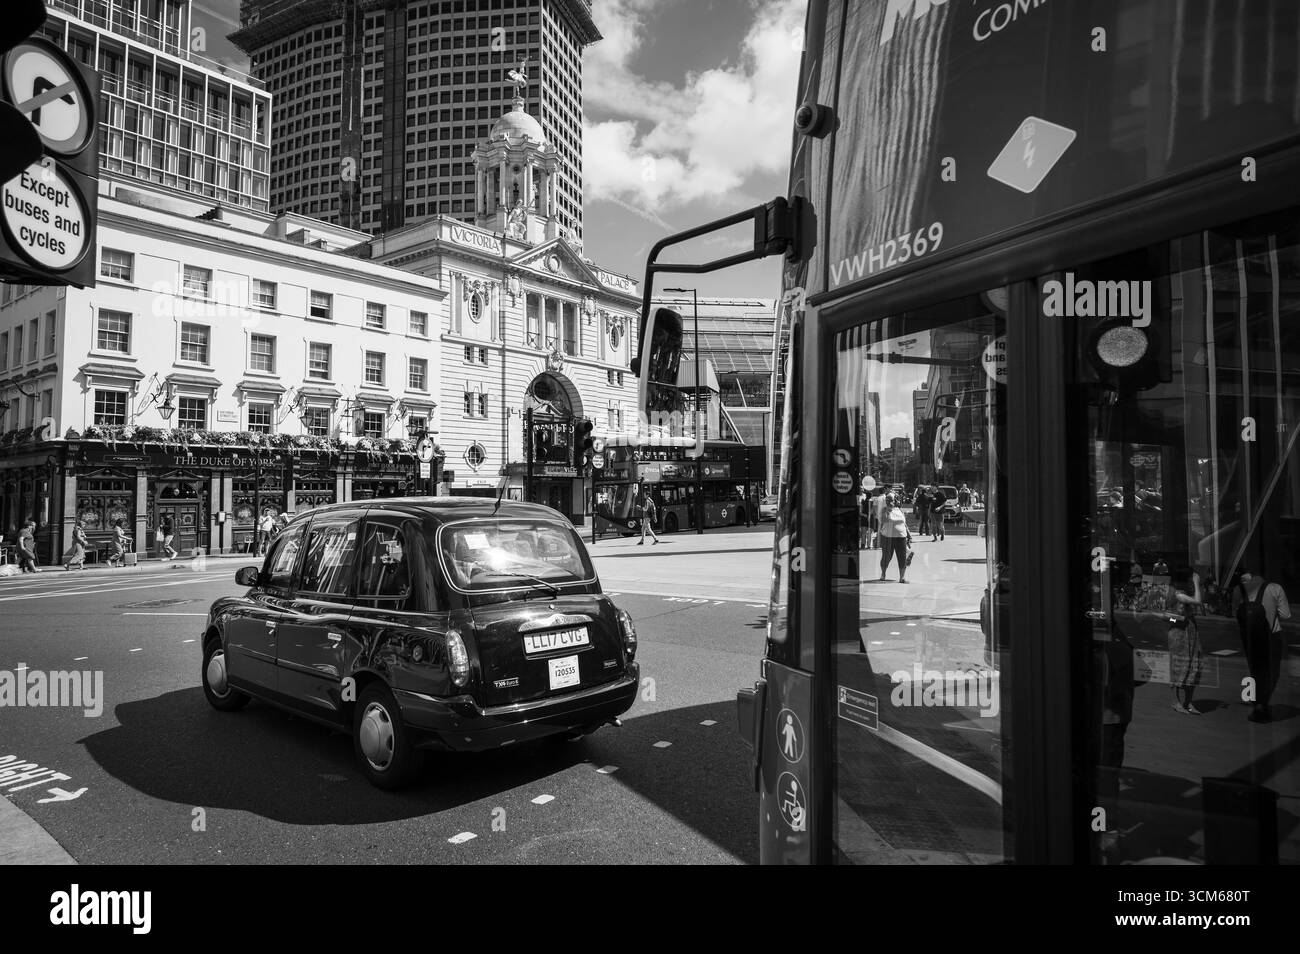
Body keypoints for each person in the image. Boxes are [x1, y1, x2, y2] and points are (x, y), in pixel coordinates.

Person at [1233, 567, 1292, 723]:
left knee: (1256, 670)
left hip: (1249, 638)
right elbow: (1286, 615)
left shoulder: (1238, 590)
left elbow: (1235, 613)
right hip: (1271, 636)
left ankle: (1259, 703)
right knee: (1272, 672)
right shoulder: (1275, 588)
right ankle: (1262, 703)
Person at [1165, 567, 1204, 714]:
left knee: (1194, 664)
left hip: (1190, 631)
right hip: (1179, 633)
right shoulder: (1179, 594)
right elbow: (1198, 602)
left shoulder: (1183, 592)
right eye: (1190, 578)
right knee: (1178, 665)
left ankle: (1188, 702)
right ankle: (1176, 702)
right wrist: (1196, 581)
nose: (1192, 580)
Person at [877, 493, 912, 583]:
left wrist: (909, 535)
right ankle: (883, 573)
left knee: (902, 557)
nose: (891, 501)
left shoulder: (899, 510)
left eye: (892, 500)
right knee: (886, 557)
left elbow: (904, 523)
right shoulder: (884, 510)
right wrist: (888, 511)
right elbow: (883, 521)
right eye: (889, 500)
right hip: (888, 537)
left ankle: (902, 577)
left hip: (901, 537)